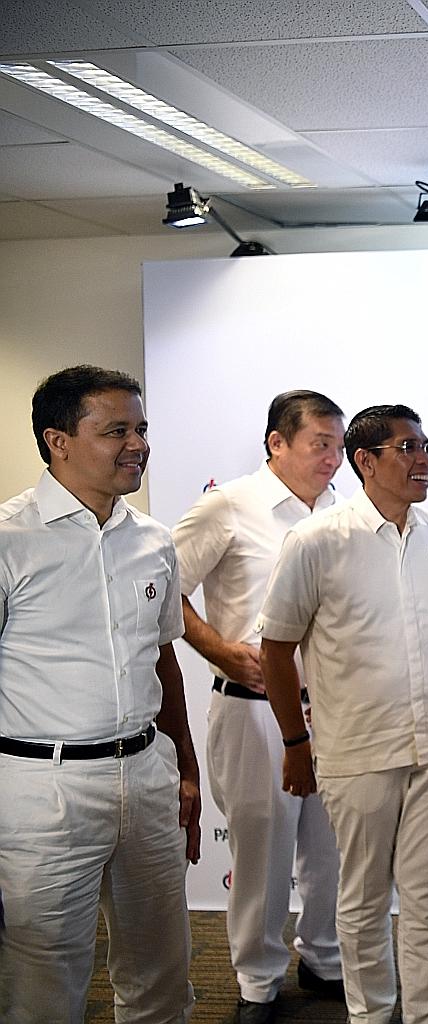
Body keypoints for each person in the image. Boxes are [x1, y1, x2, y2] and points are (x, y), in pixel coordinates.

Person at [0, 365, 201, 1023]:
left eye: (141, 428)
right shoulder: (10, 540)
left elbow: (162, 660)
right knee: (44, 983)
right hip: (41, 787)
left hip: (146, 774)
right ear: (59, 441)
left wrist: (187, 770)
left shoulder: (153, 540)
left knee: (161, 975)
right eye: (116, 430)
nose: (137, 443)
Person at [258, 404, 428, 1024]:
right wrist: (296, 742)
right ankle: (371, 1014)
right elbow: (275, 647)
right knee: (365, 898)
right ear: (365, 460)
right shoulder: (317, 539)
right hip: (357, 750)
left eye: (427, 446)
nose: (423, 458)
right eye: (408, 447)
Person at [172, 390, 347, 1022]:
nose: (333, 458)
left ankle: (324, 956)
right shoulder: (229, 506)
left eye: (338, 444)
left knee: (332, 845)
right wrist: (220, 649)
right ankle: (256, 981)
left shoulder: (343, 513)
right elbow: (167, 591)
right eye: (319, 444)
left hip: (334, 711)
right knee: (264, 848)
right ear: (277, 442)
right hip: (252, 708)